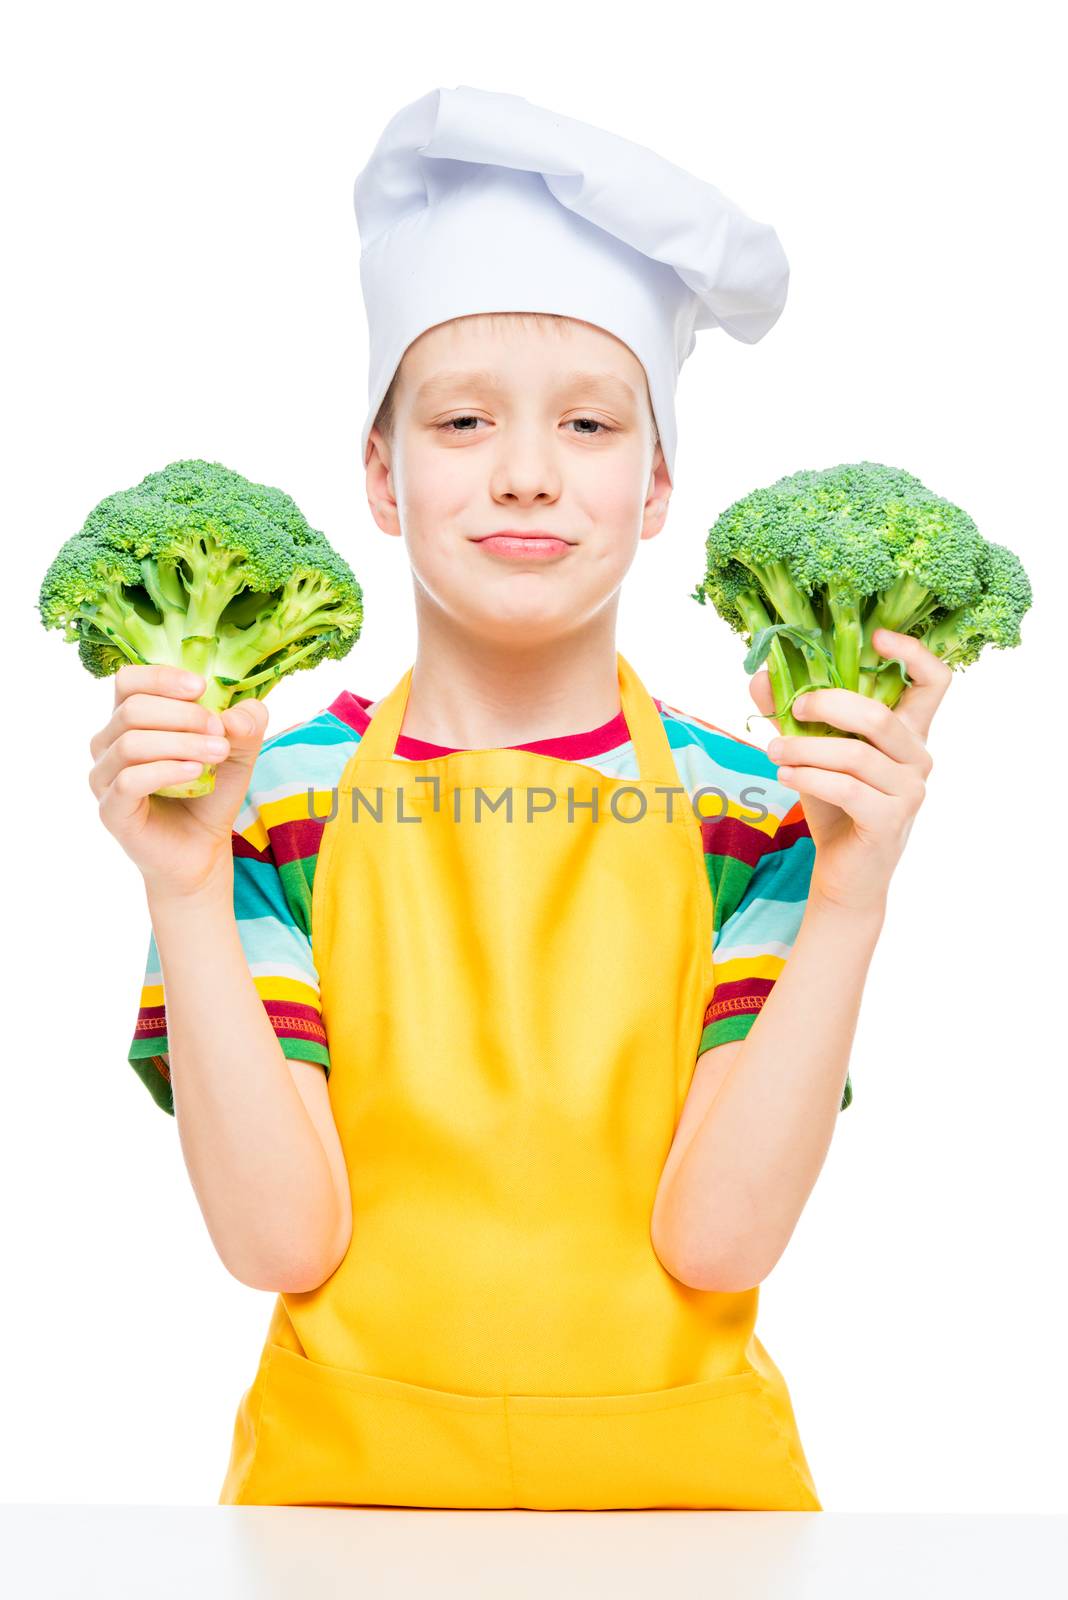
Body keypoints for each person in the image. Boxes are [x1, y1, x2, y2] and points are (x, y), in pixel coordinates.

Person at [94, 86, 950, 1511]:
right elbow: (278, 1242)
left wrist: (854, 895)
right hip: (342, 1517)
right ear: (380, 472)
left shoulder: (758, 807)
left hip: (688, 1523)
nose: (528, 474)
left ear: (661, 480)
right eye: (463, 419)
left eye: (594, 425)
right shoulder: (267, 797)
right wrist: (181, 890)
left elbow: (720, 1244)